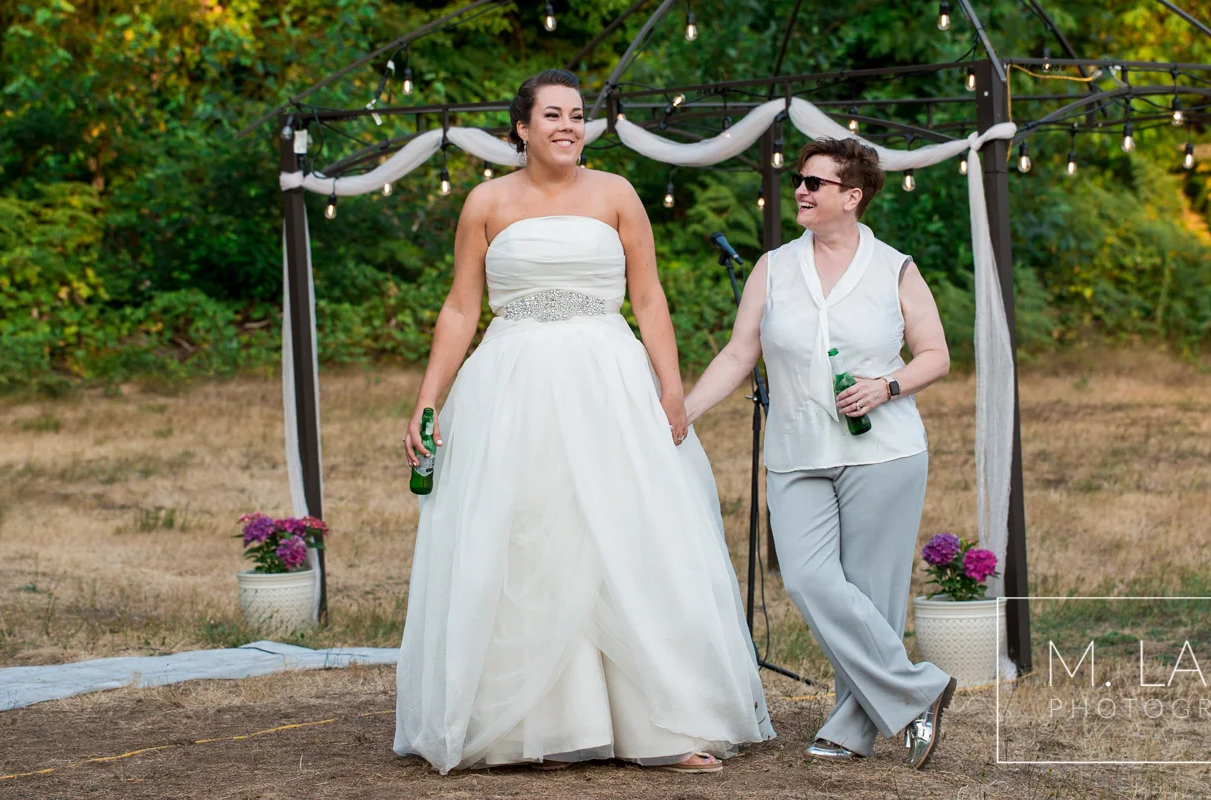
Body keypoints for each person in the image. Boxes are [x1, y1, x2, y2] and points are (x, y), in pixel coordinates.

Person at [393, 68, 773, 774]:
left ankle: (660, 724)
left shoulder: (617, 194)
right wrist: (428, 399)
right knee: (528, 533)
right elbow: (460, 307)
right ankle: (527, 725)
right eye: (553, 115)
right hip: (513, 385)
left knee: (627, 529)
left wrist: (671, 390)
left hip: (607, 379)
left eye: (576, 115)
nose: (569, 126)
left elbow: (649, 298)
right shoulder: (485, 202)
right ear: (522, 128)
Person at [684, 136, 958, 768]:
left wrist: (887, 386)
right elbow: (739, 353)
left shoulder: (895, 268)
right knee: (809, 580)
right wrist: (685, 412)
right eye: (800, 181)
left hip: (884, 452)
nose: (801, 191)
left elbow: (936, 355)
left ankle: (851, 730)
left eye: (814, 182)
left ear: (852, 196)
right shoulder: (773, 266)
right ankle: (920, 690)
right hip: (795, 449)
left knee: (872, 594)